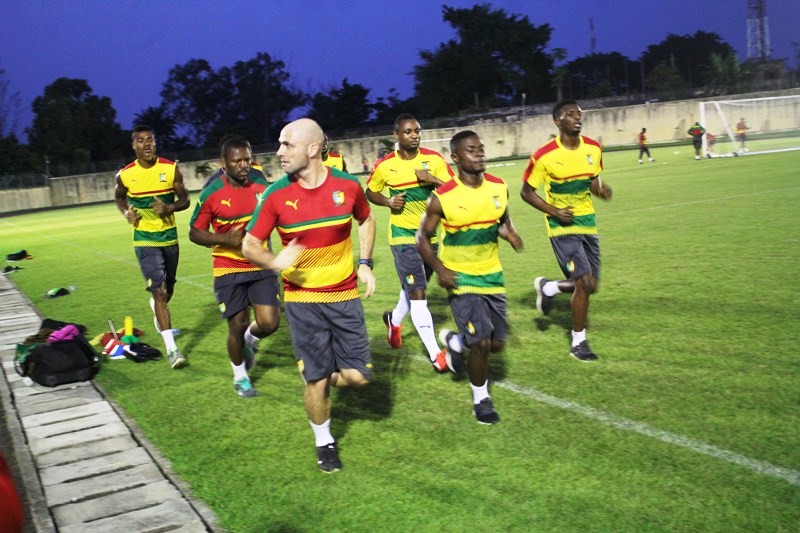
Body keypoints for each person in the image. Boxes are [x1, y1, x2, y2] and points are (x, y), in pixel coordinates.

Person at [242, 118, 376, 473]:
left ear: (313, 149)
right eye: (280, 144)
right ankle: (324, 440)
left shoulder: (347, 186)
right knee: (316, 379)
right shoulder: (275, 195)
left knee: (360, 377)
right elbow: (250, 244)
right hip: (302, 301)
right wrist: (274, 261)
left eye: (287, 144)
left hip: (344, 296)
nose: (279, 152)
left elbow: (365, 219)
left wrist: (364, 263)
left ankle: (317, 371)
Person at [418, 131, 523, 424]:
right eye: (471, 150)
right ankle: (481, 399)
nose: (479, 154)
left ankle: (455, 341)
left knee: (496, 345)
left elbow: (502, 218)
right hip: (460, 278)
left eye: (481, 148)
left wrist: (510, 233)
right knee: (481, 344)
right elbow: (422, 237)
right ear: (455, 158)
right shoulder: (443, 196)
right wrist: (440, 269)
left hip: (492, 275)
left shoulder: (499, 186)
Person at [520, 100, 613, 362]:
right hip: (561, 226)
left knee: (591, 285)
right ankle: (578, 342)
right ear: (557, 121)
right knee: (582, 282)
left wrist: (601, 191)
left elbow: (592, 181)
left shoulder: (593, 148)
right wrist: (554, 211)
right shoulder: (544, 155)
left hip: (587, 222)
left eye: (579, 114)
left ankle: (549, 288)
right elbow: (526, 192)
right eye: (570, 114)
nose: (577, 117)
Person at [189, 134, 280, 398]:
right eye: (237, 161)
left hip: (259, 262)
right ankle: (240, 377)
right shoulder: (212, 193)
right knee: (237, 324)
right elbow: (194, 232)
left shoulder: (260, 182)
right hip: (228, 267)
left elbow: (273, 213)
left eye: (247, 160)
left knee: (270, 323)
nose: (244, 166)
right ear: (223, 163)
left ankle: (249, 341)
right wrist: (224, 239)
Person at [366, 113, 455, 372]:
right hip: (403, 237)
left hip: (429, 237)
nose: (414, 135)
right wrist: (387, 201)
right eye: (408, 131)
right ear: (396, 135)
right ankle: (436, 355)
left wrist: (432, 179)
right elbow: (370, 191)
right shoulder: (385, 165)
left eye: (417, 131)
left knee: (415, 286)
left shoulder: (434, 160)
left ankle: (393, 321)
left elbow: (455, 190)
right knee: (418, 294)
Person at [115, 125, 190, 369]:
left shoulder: (170, 169)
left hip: (169, 238)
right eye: (141, 140)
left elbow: (185, 200)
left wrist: (169, 208)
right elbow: (119, 196)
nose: (147, 144)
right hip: (144, 239)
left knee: (168, 290)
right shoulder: (125, 175)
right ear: (133, 145)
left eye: (150, 139)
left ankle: (158, 308)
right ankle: (172, 350)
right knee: (159, 291)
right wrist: (126, 212)